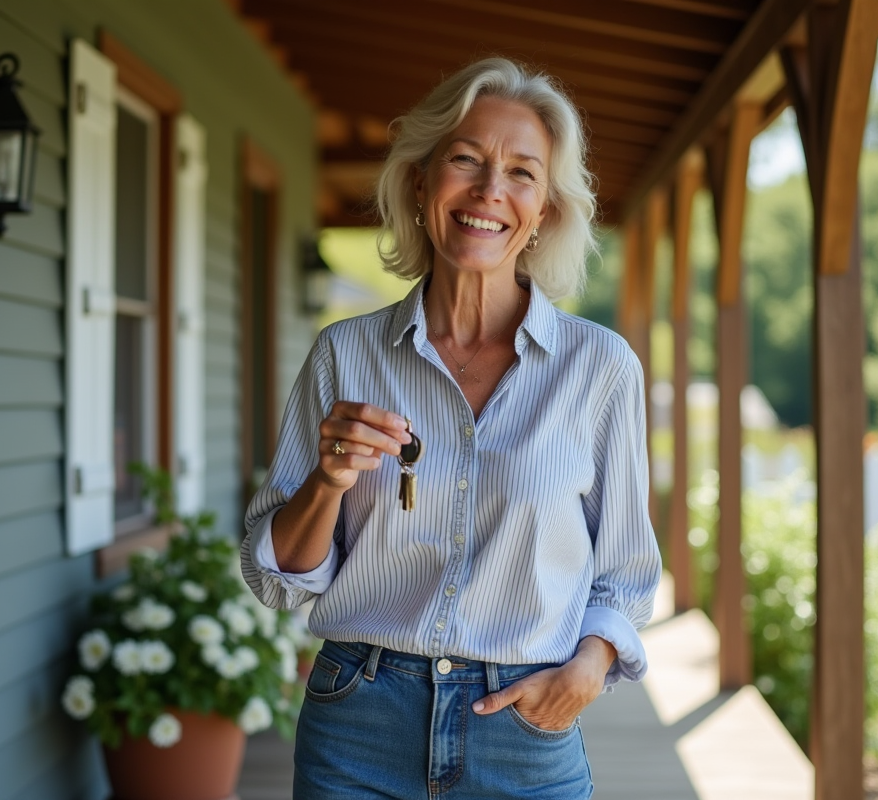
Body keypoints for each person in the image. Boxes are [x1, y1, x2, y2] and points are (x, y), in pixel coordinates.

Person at [241, 57, 661, 799]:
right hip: (356, 723)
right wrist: (328, 481)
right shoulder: (345, 354)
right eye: (466, 159)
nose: (489, 191)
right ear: (420, 180)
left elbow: (623, 573)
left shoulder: (601, 369)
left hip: (526, 726)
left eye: (521, 173)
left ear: (544, 211)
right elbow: (279, 579)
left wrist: (587, 669)